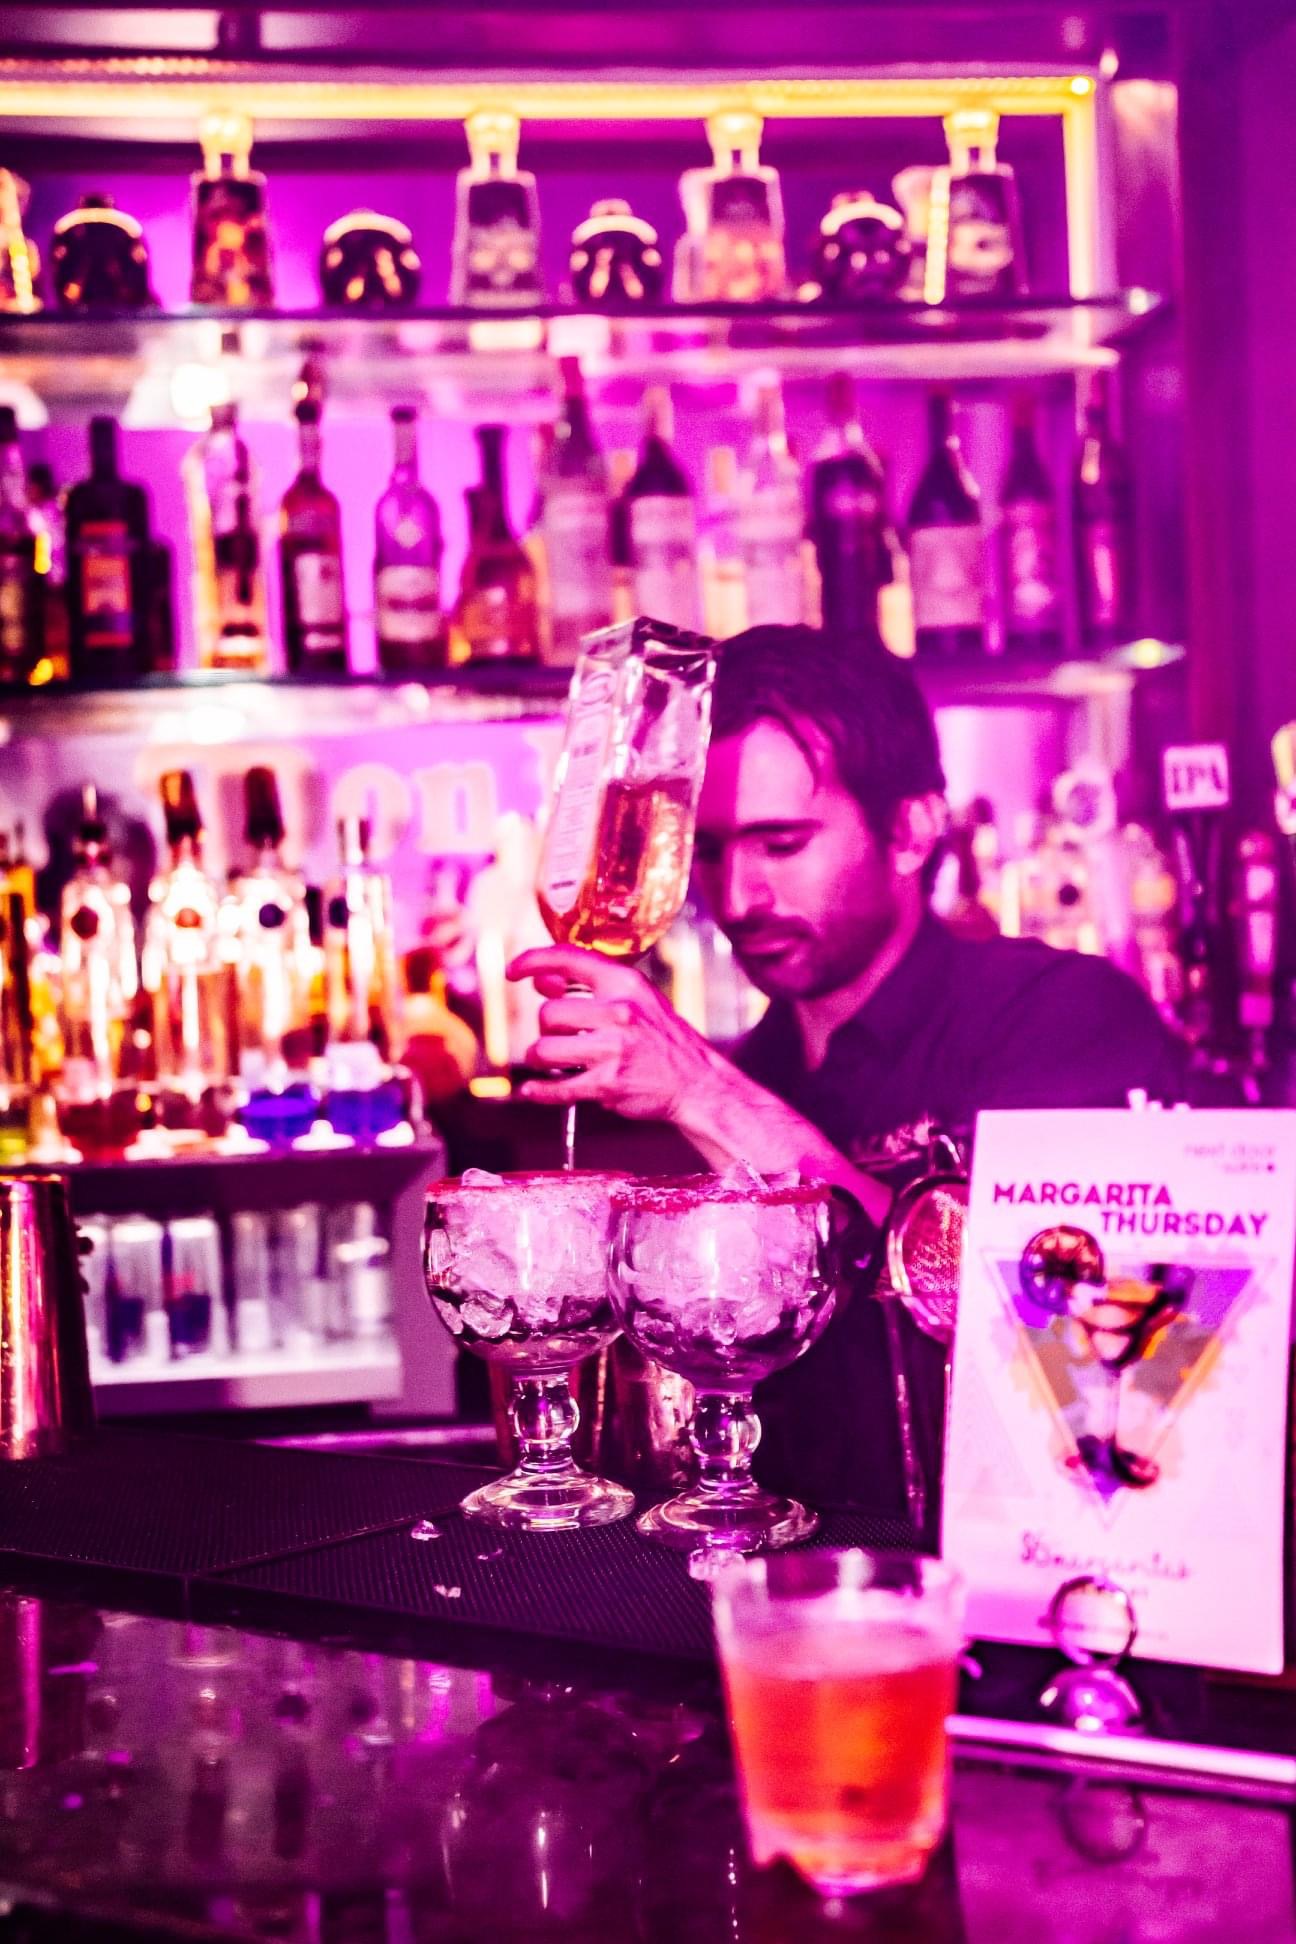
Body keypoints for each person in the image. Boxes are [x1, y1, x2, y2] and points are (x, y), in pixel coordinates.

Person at [508, 625, 1188, 1524]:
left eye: (782, 844)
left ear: (911, 830)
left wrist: (704, 1095)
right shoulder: (759, 1071)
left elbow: (1060, 1347)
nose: (739, 898)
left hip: (1007, 1584)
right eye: (709, 851)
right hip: (785, 1588)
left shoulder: (1061, 1019)